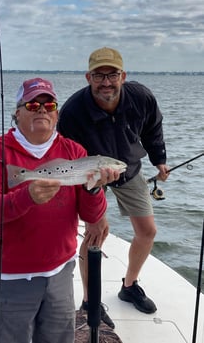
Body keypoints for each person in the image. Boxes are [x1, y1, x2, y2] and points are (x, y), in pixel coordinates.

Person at [0, 77, 120, 343]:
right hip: (10, 277)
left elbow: (91, 216)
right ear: (17, 113)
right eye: (32, 104)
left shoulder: (74, 150)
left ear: (56, 113)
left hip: (61, 274)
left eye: (48, 104)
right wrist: (26, 196)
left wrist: (94, 189)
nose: (41, 109)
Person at [57, 47, 170, 315]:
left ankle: (129, 286)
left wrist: (160, 160)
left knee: (148, 231)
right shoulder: (73, 111)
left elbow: (153, 127)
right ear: (88, 77)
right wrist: (93, 197)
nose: (106, 82)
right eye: (99, 75)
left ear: (123, 75)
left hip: (128, 168)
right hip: (90, 175)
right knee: (96, 234)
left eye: (112, 75)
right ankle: (88, 301)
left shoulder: (141, 97)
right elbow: (66, 154)